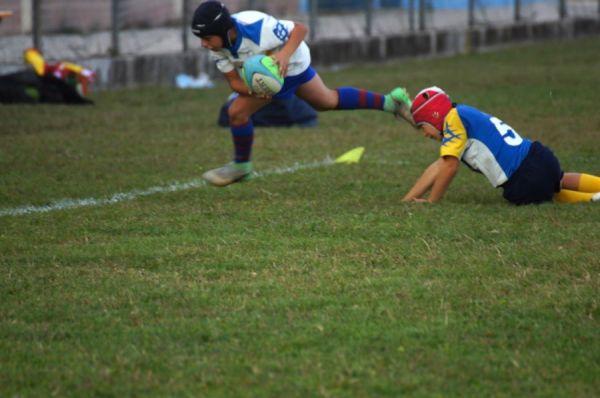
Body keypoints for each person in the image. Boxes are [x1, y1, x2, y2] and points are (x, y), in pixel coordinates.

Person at [191, 1, 414, 187]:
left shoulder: (257, 26)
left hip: (294, 63)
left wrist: (285, 56)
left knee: (241, 111)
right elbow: (234, 83)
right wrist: (255, 90)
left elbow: (300, 29)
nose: (203, 44)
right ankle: (390, 102)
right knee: (324, 100)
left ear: (223, 30)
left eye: (207, 38)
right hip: (269, 78)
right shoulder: (218, 49)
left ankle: (241, 166)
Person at [402, 86, 600, 205]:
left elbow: (449, 166)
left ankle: (592, 200)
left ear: (434, 115)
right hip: (539, 157)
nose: (425, 134)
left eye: (423, 126)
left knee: (549, 194)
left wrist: (431, 202)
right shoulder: (462, 113)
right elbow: (440, 165)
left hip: (524, 178)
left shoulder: (452, 120)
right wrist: (408, 200)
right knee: (559, 179)